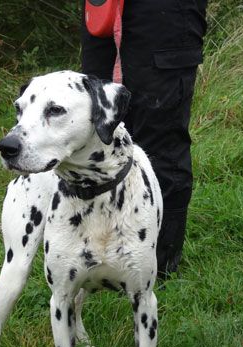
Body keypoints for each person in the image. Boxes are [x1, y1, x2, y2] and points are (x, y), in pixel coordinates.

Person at [81, 0, 207, 277]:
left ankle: (159, 268)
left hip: (165, 14)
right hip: (102, 8)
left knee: (160, 144)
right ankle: (92, 258)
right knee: (95, 131)